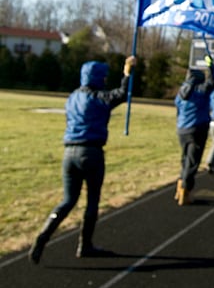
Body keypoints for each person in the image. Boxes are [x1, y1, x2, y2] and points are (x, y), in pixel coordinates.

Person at [29, 55, 136, 264]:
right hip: (91, 152)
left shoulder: (72, 98)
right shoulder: (99, 98)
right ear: (97, 78)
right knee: (92, 201)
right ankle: (85, 245)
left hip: (69, 153)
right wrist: (127, 72)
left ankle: (43, 235)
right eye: (103, 77)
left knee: (68, 200)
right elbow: (123, 94)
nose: (105, 81)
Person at [174, 58, 214, 205]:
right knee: (192, 162)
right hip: (197, 128)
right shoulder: (201, 92)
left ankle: (180, 185)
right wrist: (211, 66)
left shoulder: (180, 94)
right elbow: (213, 83)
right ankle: (186, 190)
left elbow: (178, 110)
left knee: (185, 158)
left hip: (182, 129)